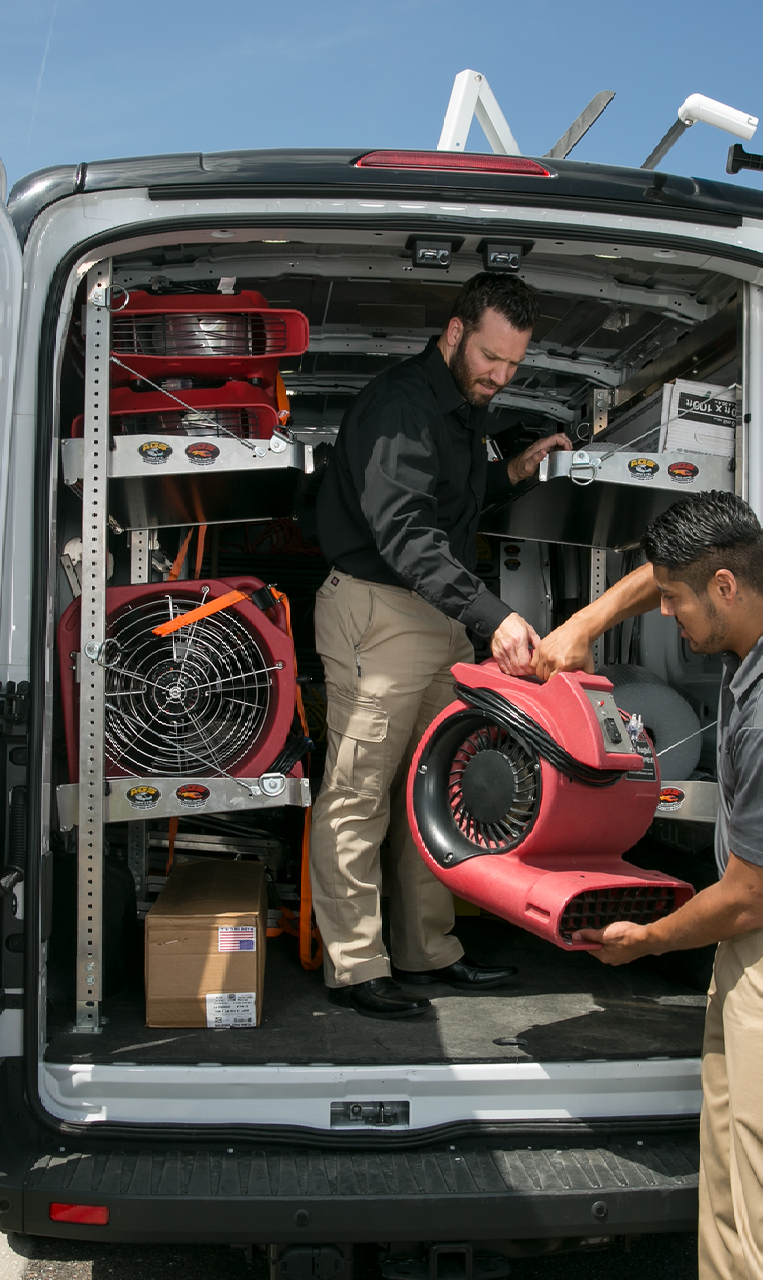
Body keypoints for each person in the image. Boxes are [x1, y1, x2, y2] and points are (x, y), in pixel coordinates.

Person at [537, 490, 763, 1280]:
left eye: (673, 602)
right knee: (731, 1188)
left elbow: (744, 898)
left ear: (724, 587)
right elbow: (666, 573)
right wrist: (584, 626)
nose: (664, 615)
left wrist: (645, 941)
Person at [309, 272, 572, 1020]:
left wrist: (511, 474)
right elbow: (404, 532)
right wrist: (493, 616)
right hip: (378, 612)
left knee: (430, 792)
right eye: (490, 356)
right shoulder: (401, 405)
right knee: (357, 794)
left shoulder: (460, 413)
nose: (499, 375)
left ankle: (427, 951)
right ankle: (356, 966)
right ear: (454, 332)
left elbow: (448, 508)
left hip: (433, 616)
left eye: (513, 365)